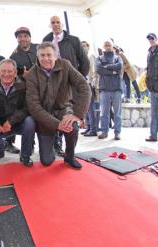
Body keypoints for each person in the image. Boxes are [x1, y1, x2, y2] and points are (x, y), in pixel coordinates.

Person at [25, 42, 91, 169]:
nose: (46, 59)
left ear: (55, 56)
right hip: (45, 116)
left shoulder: (65, 65)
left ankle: (70, 156)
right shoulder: (32, 75)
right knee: (46, 161)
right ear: (37, 57)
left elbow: (84, 86)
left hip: (63, 109)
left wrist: (78, 115)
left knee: (73, 127)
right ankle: (54, 137)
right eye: (42, 55)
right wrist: (57, 125)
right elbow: (34, 107)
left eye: (49, 55)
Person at [43, 16, 90, 156]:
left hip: (69, 83)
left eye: (58, 22)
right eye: (53, 23)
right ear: (50, 25)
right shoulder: (46, 39)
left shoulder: (74, 40)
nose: (55, 25)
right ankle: (56, 144)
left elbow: (84, 61)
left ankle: (67, 144)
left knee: (68, 112)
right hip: (52, 83)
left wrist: (77, 79)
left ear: (62, 24)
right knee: (54, 111)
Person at [0, 59, 35, 166]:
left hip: (19, 123)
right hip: (1, 126)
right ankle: (1, 148)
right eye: (3, 71)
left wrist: (11, 121)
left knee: (30, 121)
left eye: (10, 71)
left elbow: (27, 109)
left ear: (15, 73)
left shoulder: (24, 87)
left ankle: (25, 156)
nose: (6, 74)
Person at [96, 39, 123, 140]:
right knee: (104, 113)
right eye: (105, 45)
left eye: (109, 45)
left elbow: (119, 66)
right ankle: (104, 132)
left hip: (116, 89)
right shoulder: (99, 58)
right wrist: (112, 72)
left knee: (117, 113)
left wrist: (106, 67)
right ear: (103, 46)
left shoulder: (118, 58)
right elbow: (99, 69)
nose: (107, 46)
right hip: (104, 89)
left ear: (112, 46)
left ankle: (117, 133)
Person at [145, 33, 158, 145]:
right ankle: (153, 135)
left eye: (152, 38)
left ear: (156, 39)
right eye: (149, 39)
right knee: (154, 114)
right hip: (152, 88)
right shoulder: (149, 53)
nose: (151, 40)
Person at [81, 40, 99, 137]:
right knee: (86, 108)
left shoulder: (91, 57)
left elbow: (93, 71)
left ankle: (93, 129)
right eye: (82, 46)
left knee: (90, 108)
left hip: (89, 84)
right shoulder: (81, 58)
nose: (83, 47)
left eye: (85, 45)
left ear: (88, 47)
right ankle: (88, 127)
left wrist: (92, 83)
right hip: (83, 85)